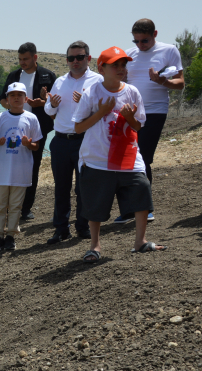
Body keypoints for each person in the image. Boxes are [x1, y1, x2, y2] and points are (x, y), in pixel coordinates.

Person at [72, 47, 167, 264]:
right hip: (97, 160)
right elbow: (78, 128)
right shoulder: (91, 92)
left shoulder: (132, 92)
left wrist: (129, 117)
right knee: (95, 205)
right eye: (115, 64)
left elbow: (138, 126)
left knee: (142, 190)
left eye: (123, 64)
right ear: (101, 68)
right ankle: (94, 246)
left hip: (128, 157)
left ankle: (140, 242)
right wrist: (101, 113)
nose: (121, 69)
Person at [114, 18, 184, 224]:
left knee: (142, 157)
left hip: (154, 112)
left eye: (144, 41)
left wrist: (162, 80)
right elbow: (123, 82)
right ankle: (128, 210)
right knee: (124, 157)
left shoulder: (169, 51)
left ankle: (144, 208)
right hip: (129, 113)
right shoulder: (130, 54)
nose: (140, 45)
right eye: (136, 41)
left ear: (155, 34)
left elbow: (180, 84)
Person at [44, 41, 103, 244]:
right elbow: (48, 111)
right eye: (71, 58)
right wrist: (51, 105)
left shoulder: (98, 80)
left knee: (83, 187)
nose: (75, 61)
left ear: (89, 58)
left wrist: (85, 102)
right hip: (60, 141)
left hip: (85, 140)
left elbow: (103, 111)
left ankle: (83, 226)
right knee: (61, 187)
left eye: (80, 57)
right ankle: (61, 229)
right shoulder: (60, 81)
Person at [0, 42, 56, 221]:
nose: (22, 62)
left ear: (35, 57)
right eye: (20, 59)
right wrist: (12, 106)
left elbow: (56, 103)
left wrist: (42, 102)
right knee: (13, 164)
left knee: (33, 165)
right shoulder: (14, 75)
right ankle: (10, 205)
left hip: (38, 127)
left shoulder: (48, 75)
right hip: (13, 127)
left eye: (25, 59)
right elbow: (2, 98)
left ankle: (26, 208)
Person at [0, 82, 42, 252]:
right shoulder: (0, 118)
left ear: (25, 99)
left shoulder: (31, 118)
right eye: (12, 95)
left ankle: (11, 235)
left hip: (21, 169)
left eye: (20, 95)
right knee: (0, 204)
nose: (16, 98)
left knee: (16, 204)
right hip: (3, 169)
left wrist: (28, 143)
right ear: (7, 99)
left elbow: (36, 146)